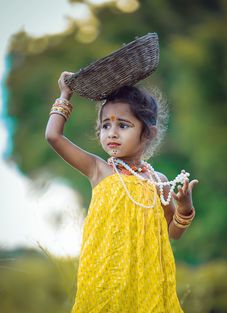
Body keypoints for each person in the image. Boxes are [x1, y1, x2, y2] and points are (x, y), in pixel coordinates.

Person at [45, 71, 199, 313]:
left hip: (147, 284)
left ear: (148, 133)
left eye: (123, 125)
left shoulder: (158, 182)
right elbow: (53, 136)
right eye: (106, 125)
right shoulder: (98, 170)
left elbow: (173, 233)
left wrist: (184, 209)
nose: (112, 133)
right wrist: (65, 94)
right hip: (104, 279)